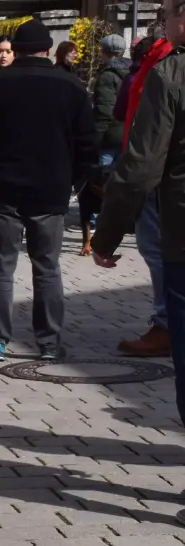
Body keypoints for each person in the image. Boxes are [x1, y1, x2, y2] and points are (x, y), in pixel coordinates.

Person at [0, 17, 98, 363]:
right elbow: (87, 143)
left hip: (2, 188)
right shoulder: (71, 86)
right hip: (50, 189)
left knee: (1, 266)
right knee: (47, 267)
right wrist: (78, 181)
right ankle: (49, 342)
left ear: (15, 51)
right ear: (48, 51)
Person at [93, 0, 185, 436]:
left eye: (165, 15)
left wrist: (105, 235)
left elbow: (142, 164)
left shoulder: (172, 74)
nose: (161, 26)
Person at [110, 29, 174, 357]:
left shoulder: (165, 62)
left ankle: (167, 324)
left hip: (160, 177)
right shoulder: (156, 60)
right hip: (154, 172)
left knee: (159, 252)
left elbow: (150, 132)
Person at [82, 33, 133, 255]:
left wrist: (97, 138)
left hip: (109, 135)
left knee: (99, 180)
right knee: (121, 180)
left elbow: (104, 110)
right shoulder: (133, 71)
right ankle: (120, 222)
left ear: (105, 52)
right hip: (128, 133)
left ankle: (95, 227)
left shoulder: (106, 75)